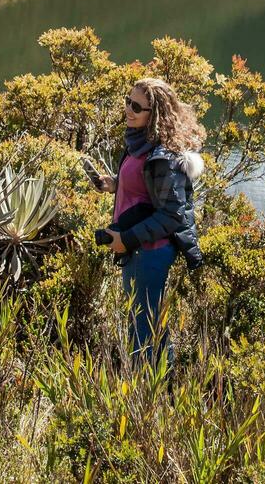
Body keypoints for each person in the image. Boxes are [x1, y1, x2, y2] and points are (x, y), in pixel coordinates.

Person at [93, 77, 205, 366]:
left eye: (137, 107)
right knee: (144, 321)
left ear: (154, 115)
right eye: (128, 101)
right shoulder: (139, 144)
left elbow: (171, 215)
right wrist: (115, 184)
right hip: (137, 247)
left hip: (150, 251)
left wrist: (125, 240)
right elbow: (146, 189)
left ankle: (148, 390)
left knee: (143, 327)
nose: (128, 110)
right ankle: (155, 384)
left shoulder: (163, 157)